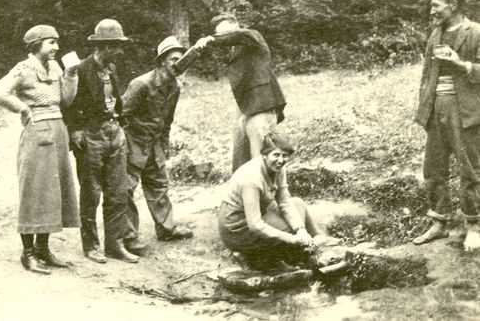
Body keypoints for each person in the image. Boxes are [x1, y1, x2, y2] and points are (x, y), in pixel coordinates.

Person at [0, 25, 79, 275]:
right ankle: (27, 253)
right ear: (36, 44)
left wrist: (71, 75)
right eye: (51, 42)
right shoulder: (24, 68)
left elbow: (66, 100)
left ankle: (43, 249)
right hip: (36, 133)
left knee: (53, 192)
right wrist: (23, 109)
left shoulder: (56, 68)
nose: (57, 47)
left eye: (57, 42)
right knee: (34, 191)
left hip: (58, 130)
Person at [62, 19, 139, 263]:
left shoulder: (112, 69)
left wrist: (121, 128)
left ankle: (115, 245)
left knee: (117, 192)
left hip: (114, 134)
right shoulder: (80, 70)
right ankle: (91, 245)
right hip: (90, 136)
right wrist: (75, 131)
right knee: (91, 192)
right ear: (105, 47)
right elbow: (67, 102)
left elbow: (116, 102)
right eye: (117, 47)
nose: (120, 51)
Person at [121, 36, 204, 252]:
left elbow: (167, 120)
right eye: (172, 59)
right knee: (126, 188)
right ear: (161, 61)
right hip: (133, 141)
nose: (177, 63)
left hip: (154, 142)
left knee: (158, 185)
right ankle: (128, 237)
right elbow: (121, 115)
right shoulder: (141, 84)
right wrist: (121, 145)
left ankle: (166, 229)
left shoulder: (174, 87)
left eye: (180, 59)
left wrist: (164, 143)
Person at [413, 0, 480, 251]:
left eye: (436, 6)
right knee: (434, 168)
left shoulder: (475, 32)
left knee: (470, 168)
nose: (432, 12)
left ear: (453, 4)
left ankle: (474, 225)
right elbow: (426, 75)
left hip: (464, 110)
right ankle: (440, 222)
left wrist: (462, 65)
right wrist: (424, 108)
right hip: (436, 108)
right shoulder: (435, 35)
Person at [218, 131, 340, 272]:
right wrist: (291, 238)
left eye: (285, 156)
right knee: (289, 232)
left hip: (260, 212)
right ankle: (261, 258)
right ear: (264, 154)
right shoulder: (251, 178)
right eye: (276, 155)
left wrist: (300, 230)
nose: (281, 160)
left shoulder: (278, 168)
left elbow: (285, 202)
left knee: (298, 204)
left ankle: (317, 238)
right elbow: (255, 225)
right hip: (236, 227)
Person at [196, 13, 287, 173]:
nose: (222, 37)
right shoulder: (234, 50)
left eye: (226, 33)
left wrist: (211, 39)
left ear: (235, 25)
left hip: (263, 101)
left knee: (263, 151)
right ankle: (240, 190)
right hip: (245, 105)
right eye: (219, 34)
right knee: (240, 148)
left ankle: (269, 193)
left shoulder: (252, 36)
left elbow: (239, 36)